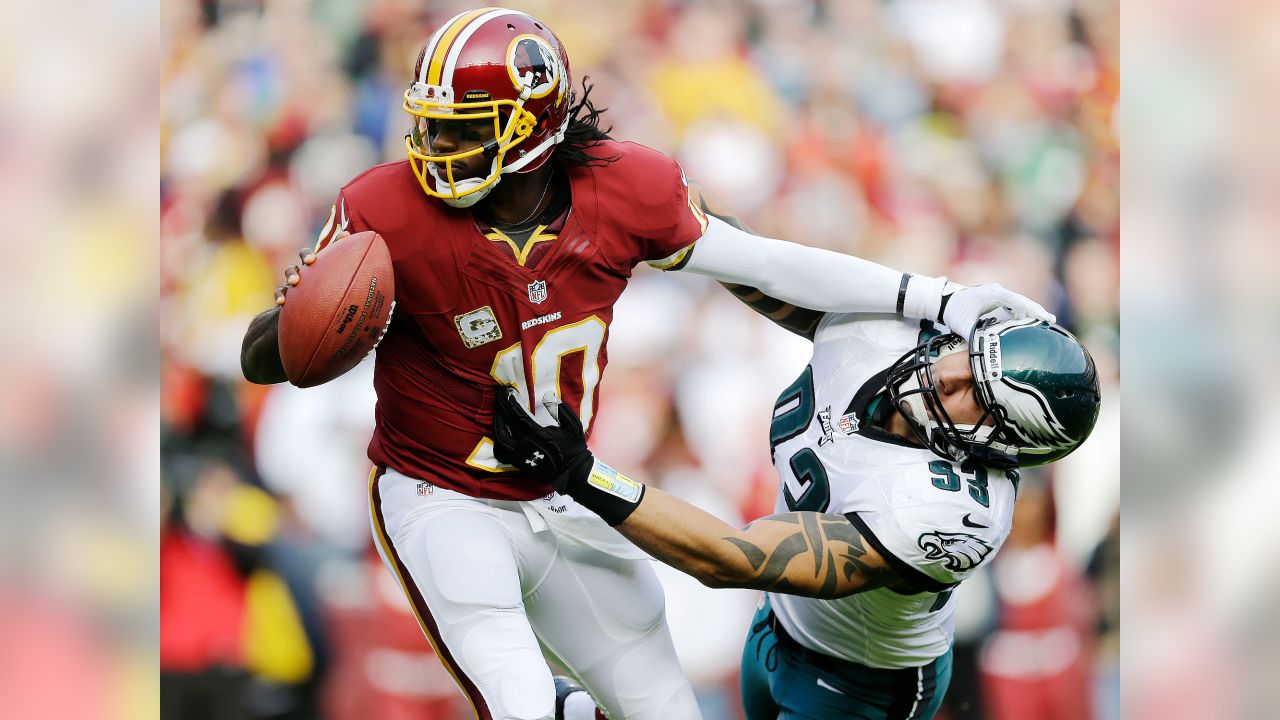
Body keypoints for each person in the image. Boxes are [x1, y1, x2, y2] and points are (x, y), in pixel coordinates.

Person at [239, 8, 1052, 720]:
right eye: (432, 122)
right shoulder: (382, 207)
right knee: (520, 703)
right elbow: (263, 360)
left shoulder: (623, 188)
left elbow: (764, 264)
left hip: (562, 489)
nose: (435, 144)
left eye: (462, 125)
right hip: (438, 492)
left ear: (527, 128)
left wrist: (936, 299)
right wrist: (298, 323)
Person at [492, 314, 1101, 719]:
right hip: (778, 630)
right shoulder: (895, 338)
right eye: (967, 357)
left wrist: (585, 475)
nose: (946, 373)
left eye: (976, 391)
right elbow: (770, 270)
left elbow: (734, 556)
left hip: (860, 683)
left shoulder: (953, 512)